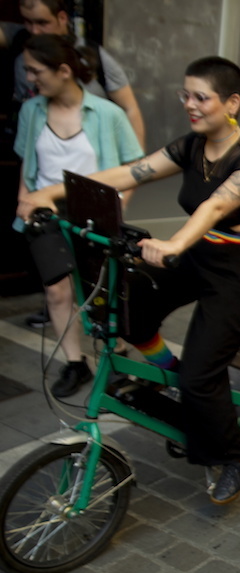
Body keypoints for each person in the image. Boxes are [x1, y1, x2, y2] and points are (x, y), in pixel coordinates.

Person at [24, 56, 240, 504]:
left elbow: (214, 207)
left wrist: (175, 244)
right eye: (186, 95)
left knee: (203, 375)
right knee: (128, 307)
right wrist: (53, 191)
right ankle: (172, 377)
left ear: (232, 102)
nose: (190, 105)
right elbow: (131, 172)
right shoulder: (191, 145)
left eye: (202, 97)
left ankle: (232, 457)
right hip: (201, 249)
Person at [13, 33, 142, 397]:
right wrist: (24, 204)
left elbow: (135, 166)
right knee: (57, 291)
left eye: (36, 71)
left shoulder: (108, 113)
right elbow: (27, 165)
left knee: (101, 290)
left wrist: (120, 208)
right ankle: (74, 362)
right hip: (44, 211)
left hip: (93, 212)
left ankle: (115, 357)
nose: (30, 79)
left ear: (65, 71)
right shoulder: (31, 110)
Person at [10, 0, 145, 148]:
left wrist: (137, 164)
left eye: (42, 23)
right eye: (28, 22)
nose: (34, 31)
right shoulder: (22, 59)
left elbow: (129, 108)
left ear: (62, 18)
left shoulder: (91, 53)